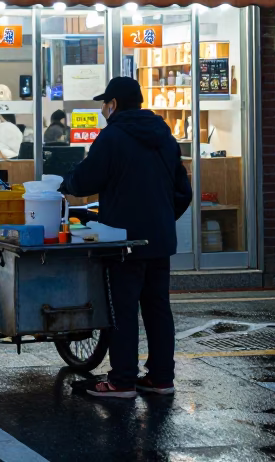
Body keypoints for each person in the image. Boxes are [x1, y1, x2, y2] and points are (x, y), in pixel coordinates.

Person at [64, 77, 191, 399]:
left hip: (123, 240)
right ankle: (161, 378)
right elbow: (183, 192)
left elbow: (86, 179)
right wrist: (160, 219)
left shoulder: (113, 136)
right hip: (159, 238)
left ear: (114, 104)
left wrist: (64, 184)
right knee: (158, 307)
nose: (104, 109)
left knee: (123, 309)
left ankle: (121, 380)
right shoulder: (165, 135)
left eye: (105, 104)